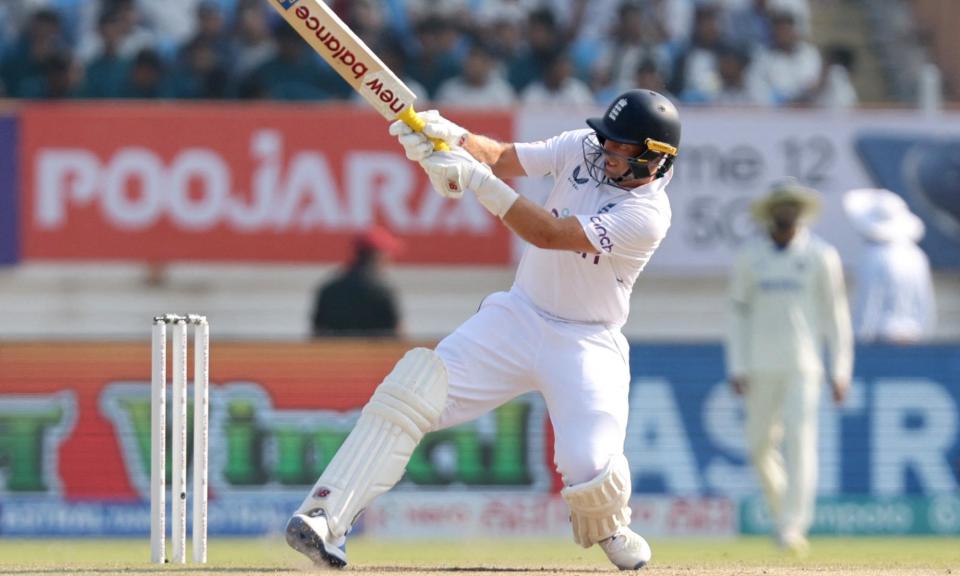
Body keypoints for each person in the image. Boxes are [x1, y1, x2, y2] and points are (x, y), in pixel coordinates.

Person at [285, 89, 681, 570]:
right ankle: (326, 517)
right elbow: (504, 157)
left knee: (588, 467)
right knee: (413, 391)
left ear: (654, 158)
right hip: (517, 316)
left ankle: (611, 525)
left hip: (586, 340)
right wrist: (450, 136)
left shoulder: (648, 216)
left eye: (621, 148)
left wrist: (475, 178)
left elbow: (549, 235)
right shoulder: (583, 146)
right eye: (607, 142)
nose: (607, 153)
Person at [725, 180, 853, 555]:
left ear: (800, 212)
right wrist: (737, 365)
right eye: (781, 207)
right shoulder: (751, 256)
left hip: (804, 366)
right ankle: (785, 511)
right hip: (760, 365)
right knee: (758, 446)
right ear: (770, 212)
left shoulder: (819, 255)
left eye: (792, 207)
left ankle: (793, 526)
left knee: (801, 444)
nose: (787, 214)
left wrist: (840, 369)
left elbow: (836, 316)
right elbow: (737, 315)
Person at [842, 188, 935, 343]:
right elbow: (925, 304)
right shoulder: (917, 256)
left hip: (881, 339)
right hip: (914, 337)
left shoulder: (875, 256)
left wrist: (858, 340)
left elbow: (870, 303)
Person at [311, 227, 403, 338]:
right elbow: (396, 338)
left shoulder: (329, 290)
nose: (390, 259)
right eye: (387, 253)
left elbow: (317, 334)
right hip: (374, 355)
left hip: (335, 354)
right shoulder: (383, 291)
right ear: (377, 255)